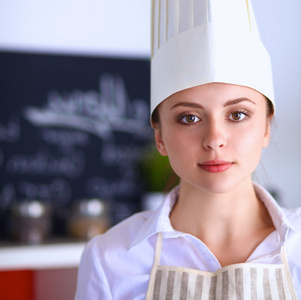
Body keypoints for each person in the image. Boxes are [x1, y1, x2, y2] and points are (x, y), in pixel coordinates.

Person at [74, 0, 301, 299]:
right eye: (189, 118)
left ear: (267, 127)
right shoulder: (110, 260)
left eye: (237, 115)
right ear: (160, 137)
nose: (214, 139)